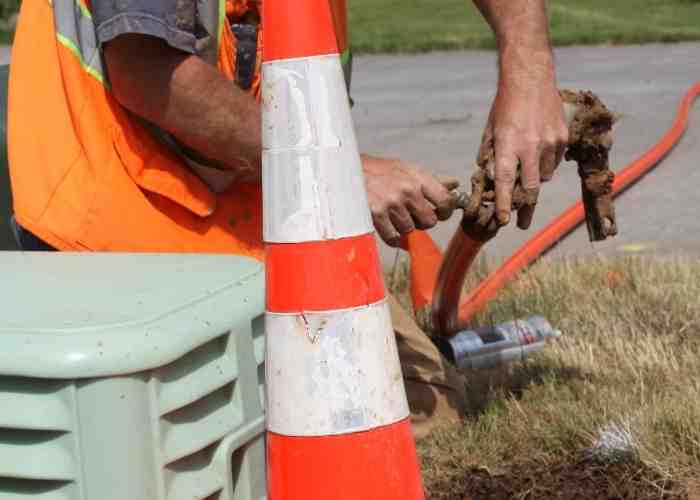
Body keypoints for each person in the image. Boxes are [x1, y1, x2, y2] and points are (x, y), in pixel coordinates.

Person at [7, 0, 567, 438]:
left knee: (419, 400)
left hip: (264, 204)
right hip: (118, 235)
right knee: (246, 441)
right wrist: (338, 171)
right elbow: (149, 74)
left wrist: (529, 73)